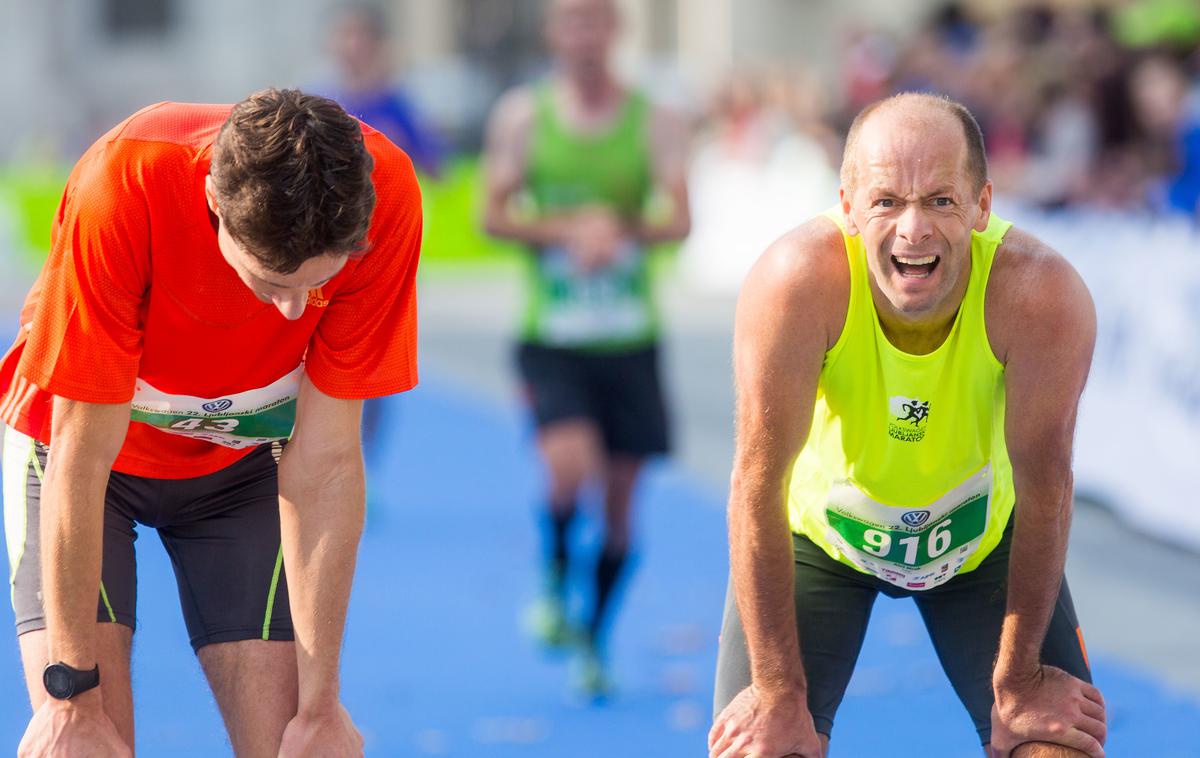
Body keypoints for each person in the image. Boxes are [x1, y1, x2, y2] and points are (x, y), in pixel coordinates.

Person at [1, 88, 421, 757]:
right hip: (85, 459)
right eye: (268, 282)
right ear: (215, 204)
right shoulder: (126, 181)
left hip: (240, 463)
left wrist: (321, 706)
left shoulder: (386, 192)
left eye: (314, 287)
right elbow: (81, 458)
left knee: (295, 745)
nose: (290, 313)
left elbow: (329, 462)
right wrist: (70, 697)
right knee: (85, 744)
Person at [709, 92, 1107, 758]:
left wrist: (1018, 680)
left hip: (983, 549)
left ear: (983, 206)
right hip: (821, 546)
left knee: (1054, 746)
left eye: (940, 201)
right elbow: (756, 486)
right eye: (887, 201)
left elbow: (1047, 493)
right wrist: (777, 691)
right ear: (846, 206)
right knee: (762, 747)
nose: (913, 231)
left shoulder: (1041, 295)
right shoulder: (794, 283)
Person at [481, 0, 690, 697]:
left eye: (597, 19)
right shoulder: (522, 117)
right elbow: (493, 215)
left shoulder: (652, 119)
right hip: (555, 337)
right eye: (572, 20)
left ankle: (594, 639)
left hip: (629, 341)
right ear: (554, 32)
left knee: (623, 507)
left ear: (615, 31)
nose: (585, 34)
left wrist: (620, 229)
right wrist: (570, 230)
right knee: (567, 467)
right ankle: (552, 572)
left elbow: (679, 219)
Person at [326, 2, 445, 178]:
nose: (353, 45)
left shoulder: (401, 106)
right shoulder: (323, 103)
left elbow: (436, 169)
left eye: (361, 35)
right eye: (346, 35)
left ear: (377, 42)